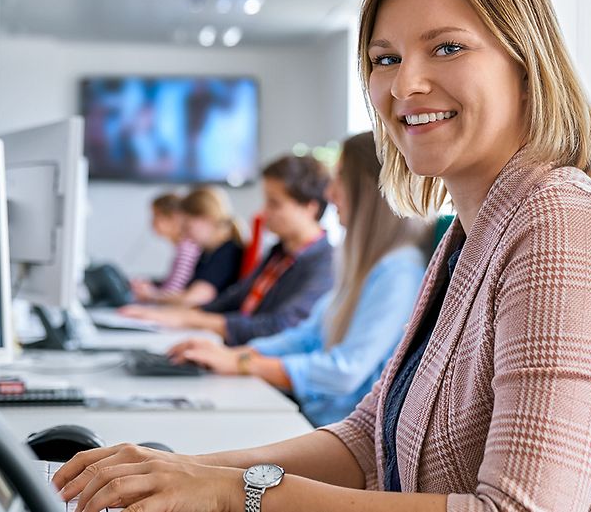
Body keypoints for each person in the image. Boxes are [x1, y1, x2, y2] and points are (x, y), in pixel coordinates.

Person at [53, 0, 591, 511]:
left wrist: (234, 494)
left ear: (526, 64)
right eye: (384, 58)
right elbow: (369, 439)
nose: (404, 85)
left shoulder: (562, 227)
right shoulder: (470, 235)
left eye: (446, 47)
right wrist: (191, 471)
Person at [168, 132, 427, 427]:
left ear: (369, 189)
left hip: (338, 428)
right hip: (315, 416)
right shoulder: (362, 263)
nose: (329, 193)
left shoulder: (398, 271)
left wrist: (242, 363)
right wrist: (232, 354)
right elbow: (308, 336)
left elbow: (344, 371)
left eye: (340, 178)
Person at [121, 154, 335, 346]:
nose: (264, 212)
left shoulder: (326, 263)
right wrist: (182, 315)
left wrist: (191, 318)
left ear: (310, 207)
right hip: (237, 350)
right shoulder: (279, 252)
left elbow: (279, 327)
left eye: (274, 204)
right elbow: (235, 298)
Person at [144, 186, 244, 308]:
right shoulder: (208, 253)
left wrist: (152, 296)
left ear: (206, 218)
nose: (185, 235)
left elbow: (194, 298)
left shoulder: (227, 252)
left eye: (187, 227)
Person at [130, 193, 203, 303]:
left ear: (174, 217)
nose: (152, 222)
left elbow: (174, 291)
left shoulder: (187, 249)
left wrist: (149, 293)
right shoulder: (183, 247)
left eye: (156, 216)